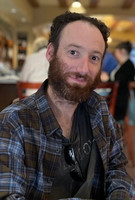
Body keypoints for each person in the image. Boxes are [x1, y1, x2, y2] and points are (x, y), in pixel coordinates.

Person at [0, 12, 134, 200]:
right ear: (50, 53)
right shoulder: (14, 123)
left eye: (94, 58)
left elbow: (118, 168)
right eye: (73, 52)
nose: (83, 69)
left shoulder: (99, 109)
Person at [110, 41, 135, 122]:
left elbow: (118, 83)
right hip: (119, 100)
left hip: (119, 103)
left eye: (116, 52)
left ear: (123, 51)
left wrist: (107, 79)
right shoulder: (125, 65)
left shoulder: (127, 66)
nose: (115, 55)